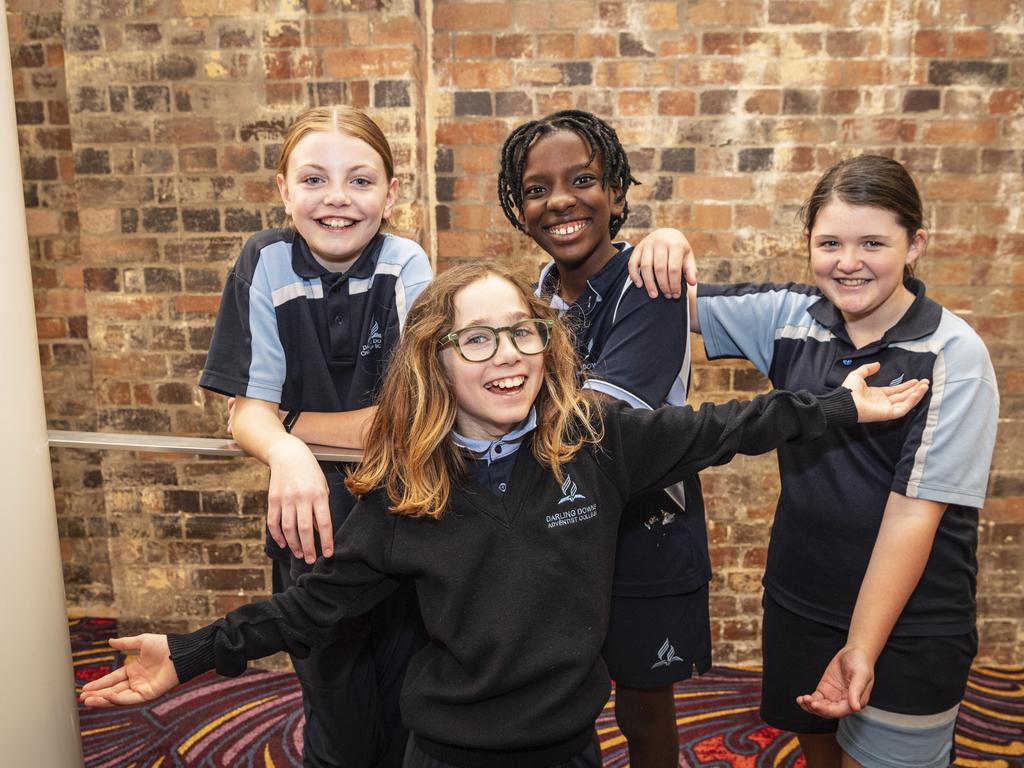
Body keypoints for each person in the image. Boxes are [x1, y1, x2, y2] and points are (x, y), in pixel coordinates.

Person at [82, 264, 930, 768]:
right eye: (476, 340)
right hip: (449, 751)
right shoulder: (406, 486)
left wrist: (842, 407)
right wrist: (187, 655)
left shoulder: (595, 440)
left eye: (521, 334)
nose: (507, 356)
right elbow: (310, 608)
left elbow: (729, 427)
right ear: (435, 361)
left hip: (568, 747)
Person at [629, 154, 999, 768]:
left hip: (911, 623)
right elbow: (661, 302)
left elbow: (914, 516)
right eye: (830, 243)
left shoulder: (954, 352)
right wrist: (661, 242)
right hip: (802, 600)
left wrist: (861, 645)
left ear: (915, 246)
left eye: (873, 243)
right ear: (808, 244)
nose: (848, 262)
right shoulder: (788, 317)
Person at [199, 105, 433, 767]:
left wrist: (289, 423)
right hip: (311, 527)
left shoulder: (406, 262)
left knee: (413, 708)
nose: (336, 198)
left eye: (360, 181)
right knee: (336, 714)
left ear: (391, 194)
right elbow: (248, 414)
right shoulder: (265, 260)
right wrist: (285, 451)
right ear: (282, 189)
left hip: (406, 519)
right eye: (313, 179)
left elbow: (411, 422)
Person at [497, 109, 705, 768]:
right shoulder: (533, 298)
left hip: (644, 534)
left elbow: (592, 422)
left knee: (644, 712)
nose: (559, 199)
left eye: (582, 178)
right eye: (536, 188)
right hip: (561, 535)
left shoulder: (651, 283)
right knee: (559, 700)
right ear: (519, 206)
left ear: (616, 193)